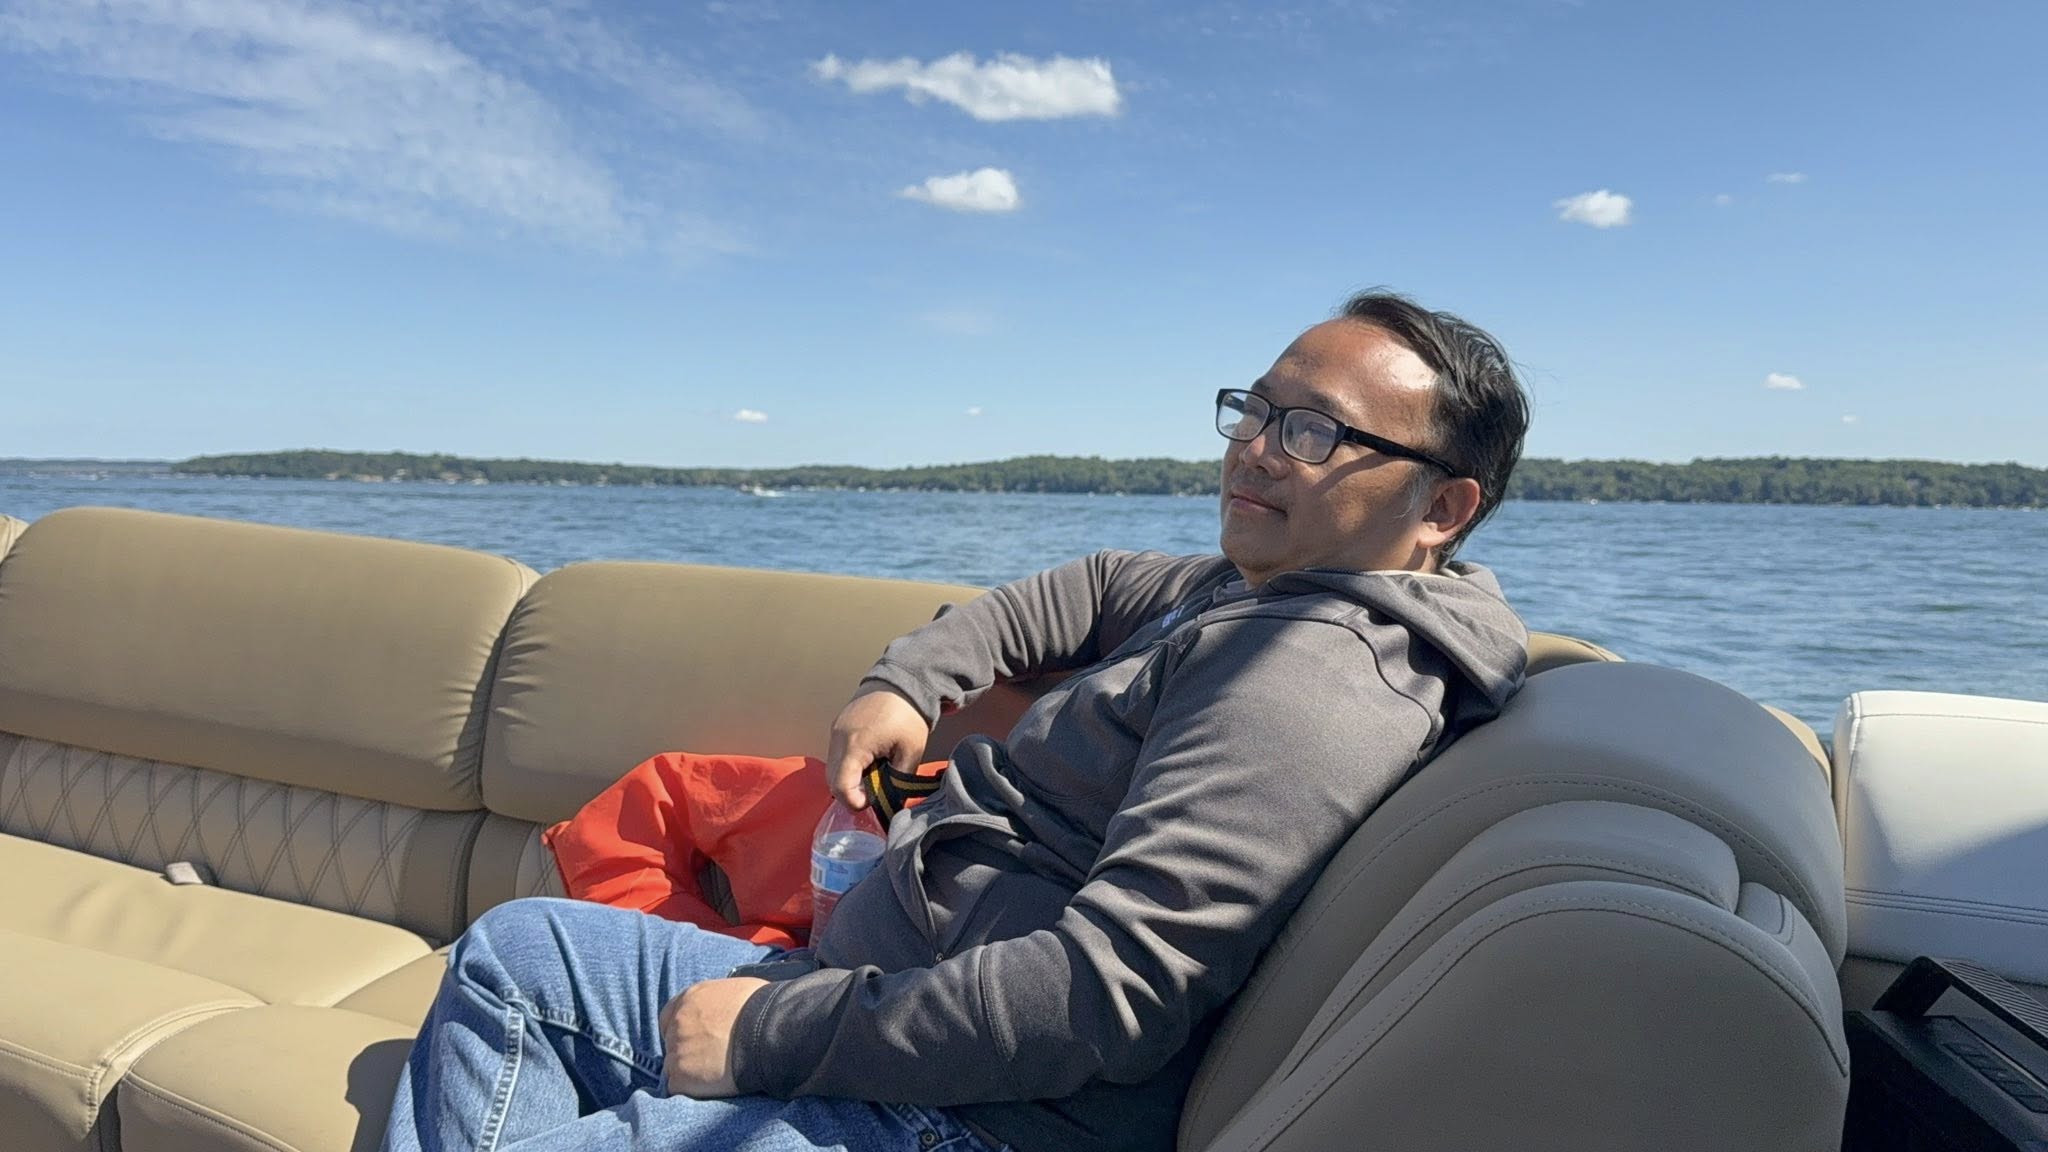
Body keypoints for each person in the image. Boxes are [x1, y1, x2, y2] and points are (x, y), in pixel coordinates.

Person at [381, 289, 1533, 1152]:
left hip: (968, 1115)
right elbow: (1080, 591)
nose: (1254, 449)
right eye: (1256, 409)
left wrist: (764, 1040)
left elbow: (1106, 997)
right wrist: (906, 680)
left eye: (1313, 432)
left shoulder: (1307, 679)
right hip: (889, 1003)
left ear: (1441, 505)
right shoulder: (1246, 591)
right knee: (515, 952)